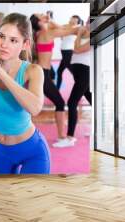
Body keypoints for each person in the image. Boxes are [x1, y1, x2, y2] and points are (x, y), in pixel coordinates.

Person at [0, 13, 51, 174]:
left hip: (32, 151)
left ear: (25, 44)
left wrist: (0, 72)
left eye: (13, 40)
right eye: (2, 37)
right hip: (0, 151)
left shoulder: (33, 70)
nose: (4, 44)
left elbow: (35, 108)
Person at [30, 13, 78, 146]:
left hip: (42, 73)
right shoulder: (46, 34)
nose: (44, 15)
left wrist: (49, 20)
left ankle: (62, 137)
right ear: (39, 22)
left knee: (58, 103)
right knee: (60, 103)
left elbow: (64, 29)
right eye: (41, 16)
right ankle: (62, 138)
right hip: (42, 74)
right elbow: (70, 30)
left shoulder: (41, 33)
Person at [54, 19, 91, 147]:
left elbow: (77, 49)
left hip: (85, 71)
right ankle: (99, 131)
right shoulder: (82, 33)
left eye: (89, 22)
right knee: (90, 99)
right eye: (87, 21)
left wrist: (79, 34)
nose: (86, 24)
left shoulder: (92, 37)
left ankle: (70, 138)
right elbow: (66, 31)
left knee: (71, 102)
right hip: (78, 72)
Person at [56, 15, 83, 89]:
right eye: (72, 18)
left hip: (68, 52)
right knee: (59, 71)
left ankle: (81, 87)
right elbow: (61, 35)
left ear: (77, 21)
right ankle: (57, 89)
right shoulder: (66, 26)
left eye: (75, 19)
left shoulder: (76, 28)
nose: (72, 20)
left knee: (73, 72)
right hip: (64, 52)